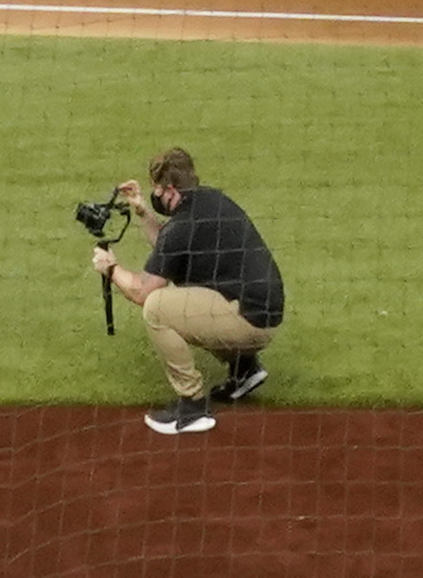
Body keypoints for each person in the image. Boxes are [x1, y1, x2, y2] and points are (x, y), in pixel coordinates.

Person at [100, 145, 285, 433]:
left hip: (250, 321)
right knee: (186, 286)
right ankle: (245, 369)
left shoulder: (184, 224)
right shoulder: (210, 200)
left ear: (171, 190)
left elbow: (142, 291)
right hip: (263, 311)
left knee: (158, 308)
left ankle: (193, 406)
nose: (156, 196)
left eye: (157, 191)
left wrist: (111, 269)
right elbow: (170, 246)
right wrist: (141, 210)